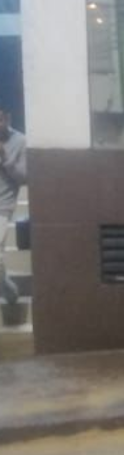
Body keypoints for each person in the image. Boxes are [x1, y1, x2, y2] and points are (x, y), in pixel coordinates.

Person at [0, 106, 26, 309]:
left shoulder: (20, 141)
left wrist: (5, 158)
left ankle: (8, 289)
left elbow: (24, 177)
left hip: (3, 204)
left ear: (7, 118)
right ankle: (6, 287)